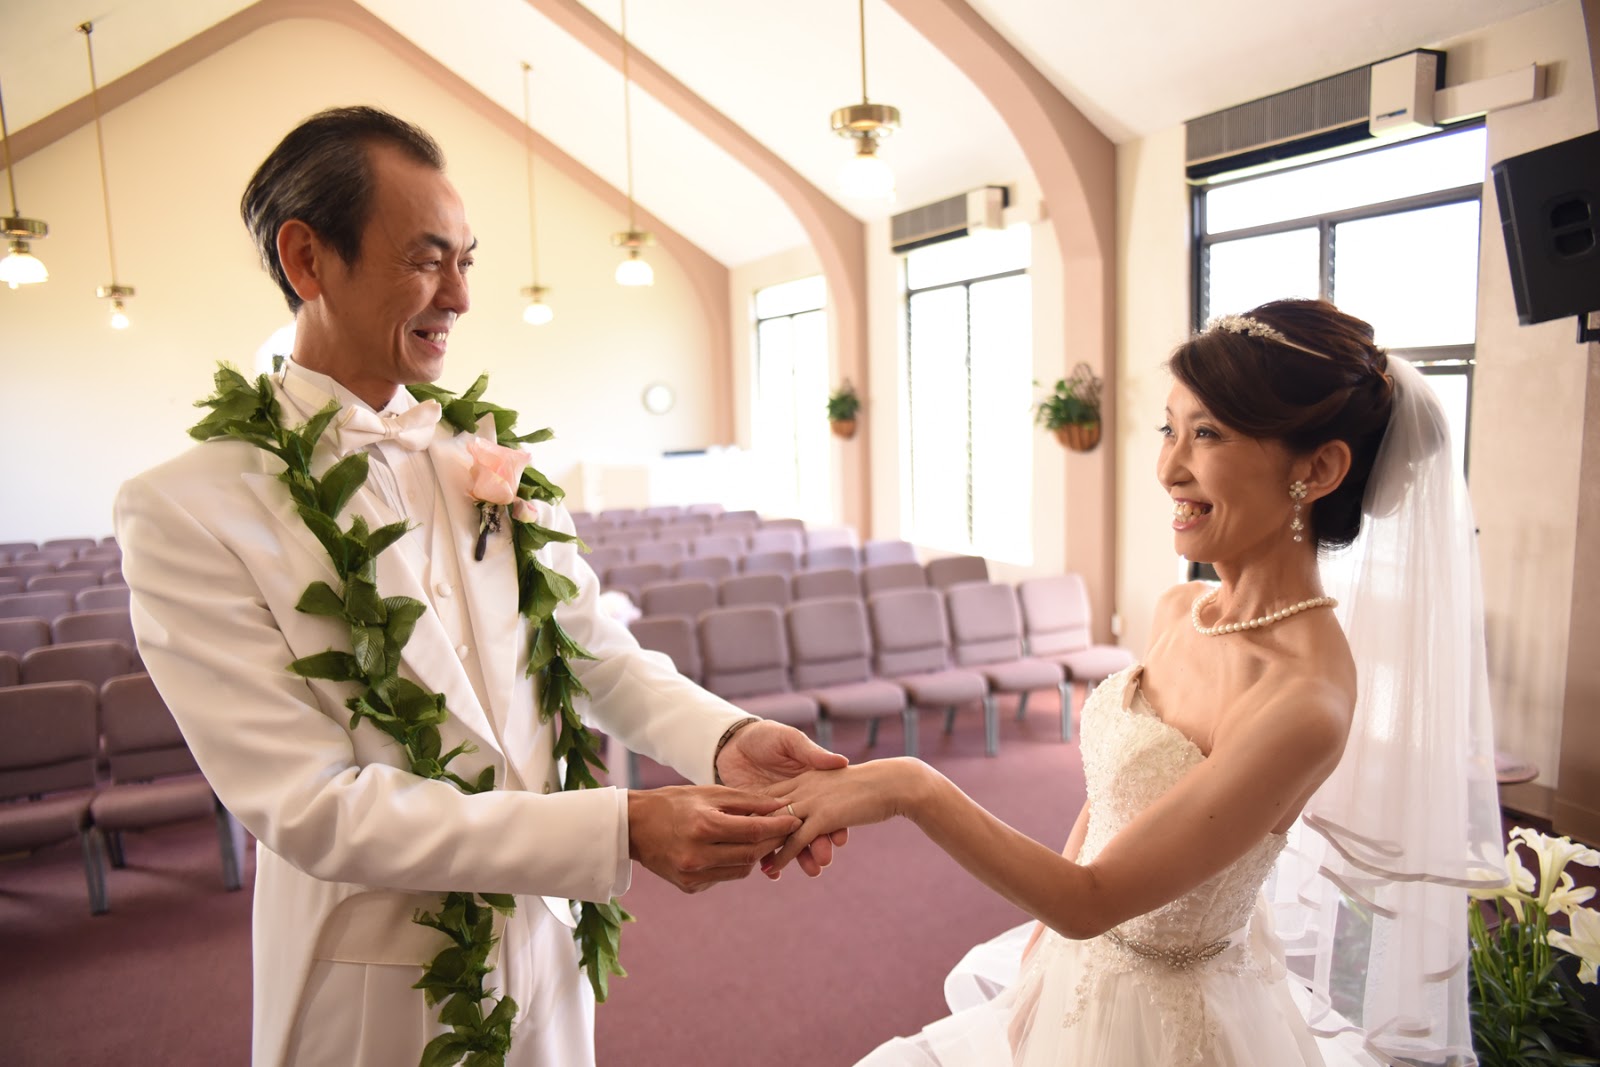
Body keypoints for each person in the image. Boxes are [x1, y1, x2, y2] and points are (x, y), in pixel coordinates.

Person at [115, 106, 845, 1067]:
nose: (459, 295)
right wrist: (617, 827)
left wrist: (723, 736)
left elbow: (593, 652)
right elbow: (311, 805)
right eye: (426, 259)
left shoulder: (487, 452)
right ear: (307, 259)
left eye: (467, 259)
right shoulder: (187, 511)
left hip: (546, 944)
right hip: (376, 985)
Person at [763, 299, 1504, 1066]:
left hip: (1168, 1025)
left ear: (1316, 470)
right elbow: (1113, 799)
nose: (1168, 467)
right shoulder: (1181, 608)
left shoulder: (1304, 700)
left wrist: (912, 786)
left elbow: (1097, 898)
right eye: (1169, 427)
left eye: (1207, 433)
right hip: (1075, 973)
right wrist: (1040, 961)